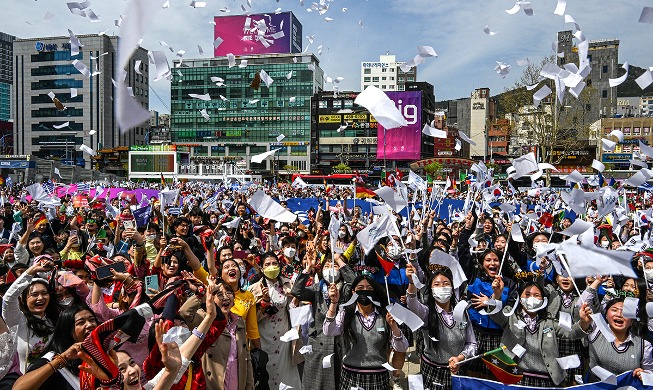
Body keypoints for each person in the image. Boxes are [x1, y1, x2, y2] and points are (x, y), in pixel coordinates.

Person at [489, 278, 593, 387]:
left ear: (543, 300)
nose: (531, 298)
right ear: (520, 299)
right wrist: (497, 295)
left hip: (545, 381)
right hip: (516, 377)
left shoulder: (549, 322)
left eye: (536, 295)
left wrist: (584, 322)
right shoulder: (510, 316)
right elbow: (495, 314)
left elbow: (572, 333)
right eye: (527, 294)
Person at [323, 274, 408, 390]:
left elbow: (402, 348)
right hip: (351, 376)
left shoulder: (385, 314)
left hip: (378, 377)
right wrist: (333, 303)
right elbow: (329, 331)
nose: (365, 292)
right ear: (353, 292)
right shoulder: (346, 313)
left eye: (369, 289)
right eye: (360, 289)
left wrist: (394, 327)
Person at [290, 249, 356, 390]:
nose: (330, 269)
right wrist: (308, 268)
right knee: (316, 384)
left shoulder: (345, 289)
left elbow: (355, 282)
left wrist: (339, 260)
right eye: (326, 266)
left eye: (334, 266)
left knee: (340, 383)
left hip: (341, 345)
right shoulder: (316, 289)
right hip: (318, 346)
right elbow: (297, 291)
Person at [405, 265, 476, 390]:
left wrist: (460, 358)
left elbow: (471, 344)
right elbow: (412, 304)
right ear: (431, 290)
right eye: (436, 284)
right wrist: (411, 282)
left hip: (458, 371)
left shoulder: (461, 313)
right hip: (433, 372)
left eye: (446, 283)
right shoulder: (427, 313)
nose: (442, 287)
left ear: (453, 289)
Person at [180, 278, 254, 390]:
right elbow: (184, 313)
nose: (225, 297)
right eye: (219, 294)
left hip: (236, 384)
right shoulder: (204, 318)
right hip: (212, 384)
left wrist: (249, 385)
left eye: (229, 293)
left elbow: (246, 357)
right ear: (212, 299)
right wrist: (203, 293)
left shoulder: (239, 322)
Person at [249, 252, 302, 390]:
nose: (271, 267)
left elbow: (295, 310)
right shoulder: (253, 289)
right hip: (263, 339)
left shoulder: (288, 284)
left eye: (274, 264)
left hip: (284, 339)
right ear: (261, 267)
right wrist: (263, 306)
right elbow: (251, 319)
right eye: (267, 264)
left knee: (287, 379)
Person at [13, 305, 99, 389]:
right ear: (68, 330)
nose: (89, 325)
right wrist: (62, 359)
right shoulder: (52, 359)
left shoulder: (104, 354)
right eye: (81, 323)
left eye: (92, 320)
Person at [1, 255, 59, 373]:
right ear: (23, 300)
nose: (40, 298)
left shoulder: (53, 321)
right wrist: (31, 271)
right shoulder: (18, 320)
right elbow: (8, 299)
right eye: (34, 294)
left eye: (44, 293)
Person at [585, 297, 653, 383]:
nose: (619, 314)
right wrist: (597, 282)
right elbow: (582, 305)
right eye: (614, 310)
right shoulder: (595, 331)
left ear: (632, 321)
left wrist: (643, 374)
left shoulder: (644, 345)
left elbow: (650, 375)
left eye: (625, 312)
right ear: (606, 315)